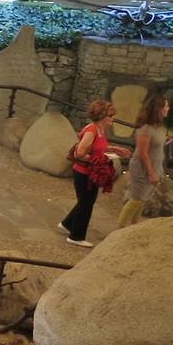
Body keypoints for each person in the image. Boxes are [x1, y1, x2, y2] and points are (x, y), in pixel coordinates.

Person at [60, 100, 131, 248]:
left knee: (85, 201)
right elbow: (80, 153)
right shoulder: (92, 130)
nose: (112, 119)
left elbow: (97, 147)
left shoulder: (99, 130)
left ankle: (67, 224)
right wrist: (100, 160)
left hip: (87, 172)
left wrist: (115, 149)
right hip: (83, 173)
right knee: (86, 204)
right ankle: (76, 236)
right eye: (110, 116)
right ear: (102, 116)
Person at [118, 93, 173, 228]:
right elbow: (143, 153)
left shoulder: (159, 127)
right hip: (143, 167)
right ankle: (122, 226)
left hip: (154, 165)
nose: (168, 108)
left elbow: (154, 145)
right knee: (137, 199)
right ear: (158, 109)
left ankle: (133, 225)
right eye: (166, 106)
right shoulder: (146, 129)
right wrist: (151, 173)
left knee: (143, 199)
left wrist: (165, 141)